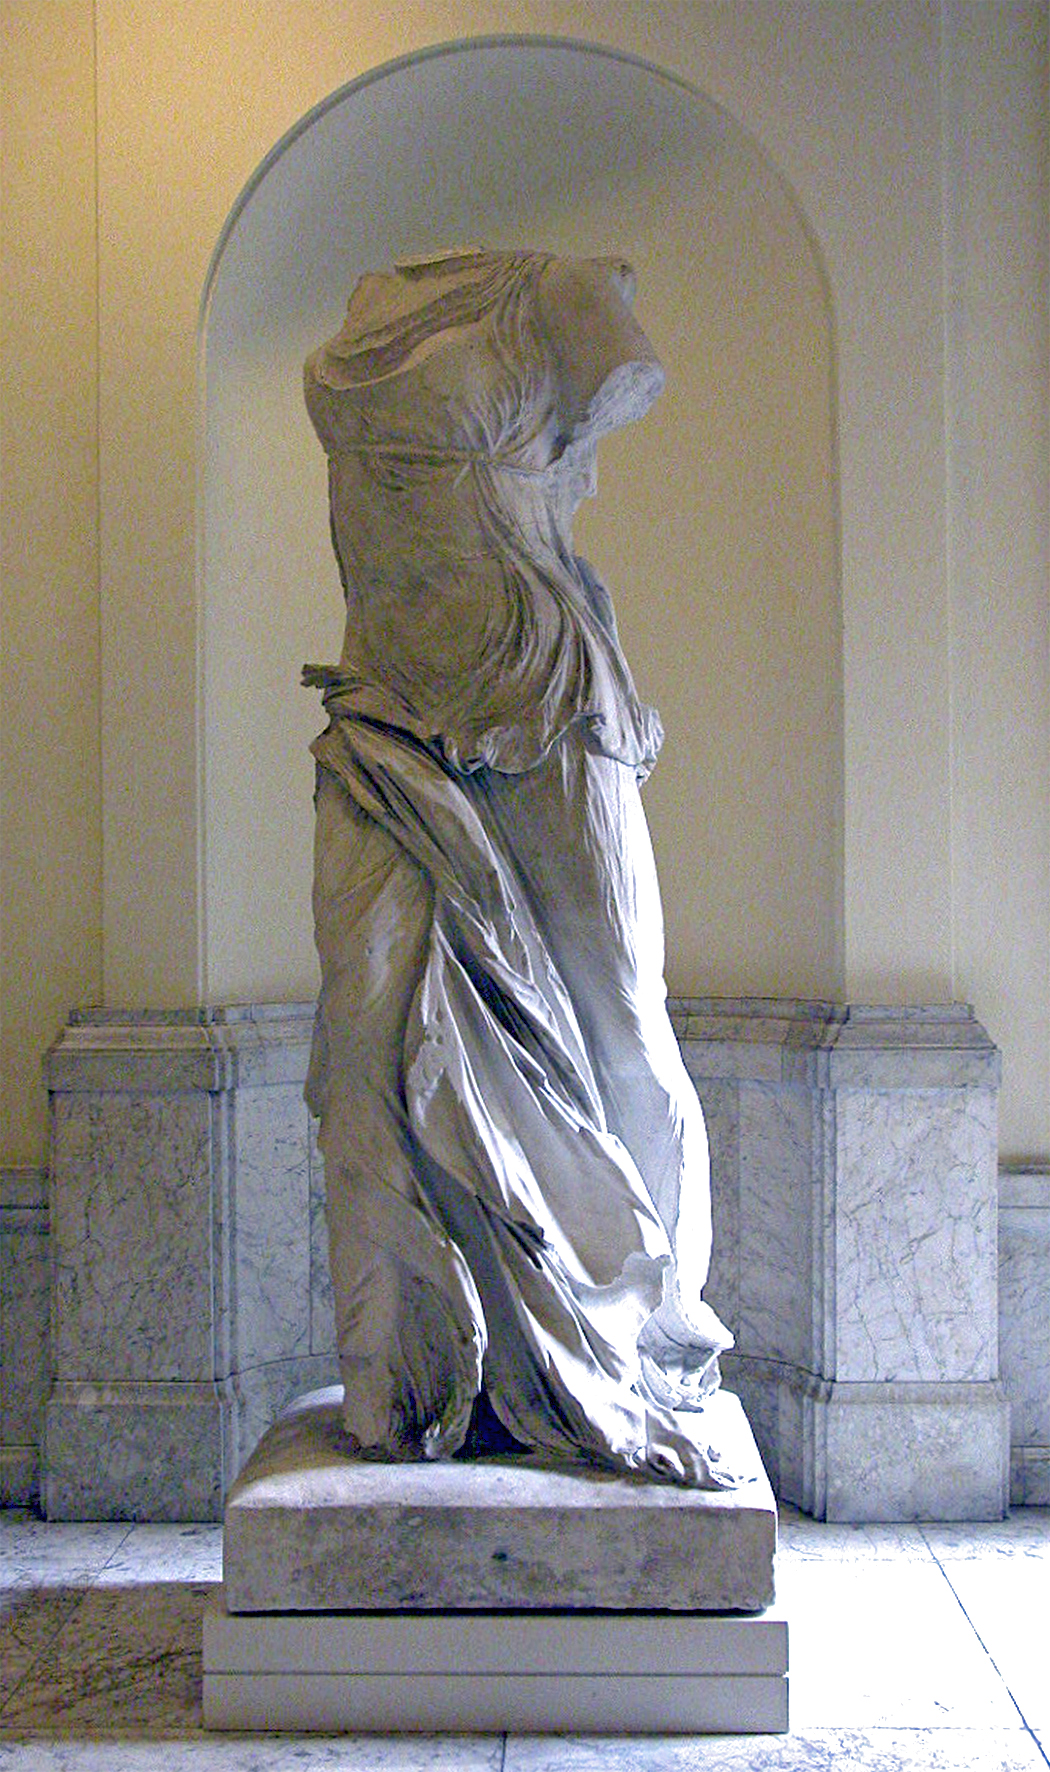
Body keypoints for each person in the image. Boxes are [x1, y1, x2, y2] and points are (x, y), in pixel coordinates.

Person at [303, 248, 733, 1486]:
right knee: (371, 1038)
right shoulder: (363, 308)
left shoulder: (557, 294)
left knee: (623, 1021)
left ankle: (644, 1331)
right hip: (384, 708)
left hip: (541, 692)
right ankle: (415, 1366)